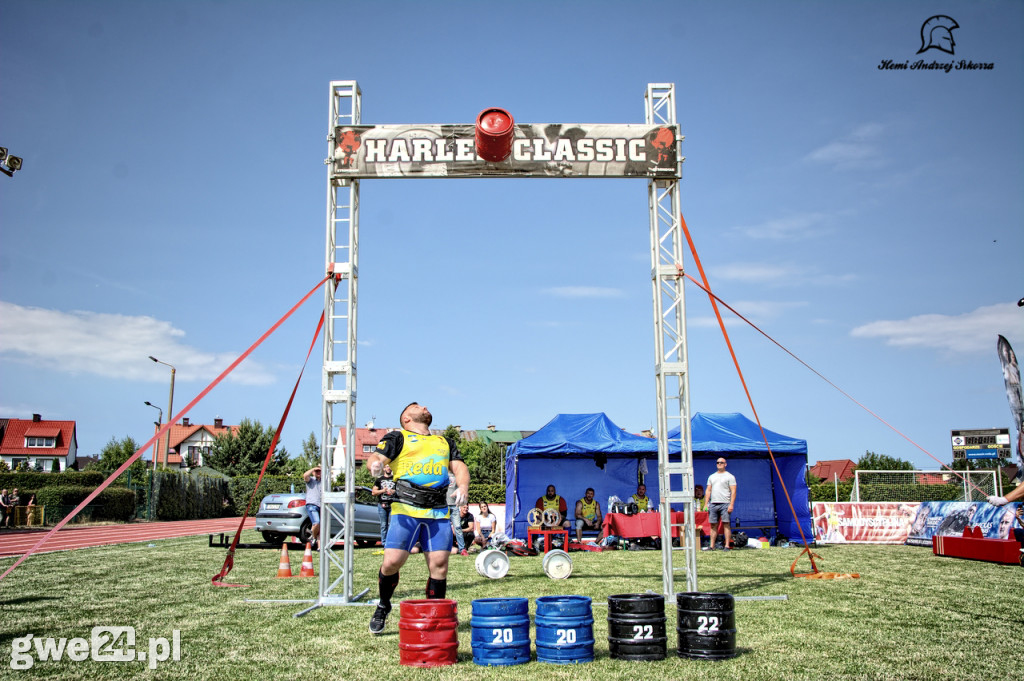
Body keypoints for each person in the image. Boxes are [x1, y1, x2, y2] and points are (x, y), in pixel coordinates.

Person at [366, 402, 469, 635]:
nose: (424, 407)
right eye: (417, 406)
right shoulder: (398, 437)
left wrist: (463, 486)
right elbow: (376, 457)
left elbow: (460, 467)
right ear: (406, 419)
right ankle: (383, 605)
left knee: (440, 567)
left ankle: (435, 618)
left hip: (438, 512)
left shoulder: (444, 442)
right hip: (406, 509)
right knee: (392, 562)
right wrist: (374, 466)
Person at [703, 457, 737, 551]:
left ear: (725, 464)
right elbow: (708, 490)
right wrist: (706, 504)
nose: (719, 464)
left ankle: (726, 546)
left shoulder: (730, 476)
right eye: (718, 462)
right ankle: (712, 546)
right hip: (713, 503)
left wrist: (731, 504)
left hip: (725, 503)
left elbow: (733, 491)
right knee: (713, 525)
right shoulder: (712, 476)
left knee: (726, 524)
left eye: (721, 462)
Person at [372, 464, 396, 548]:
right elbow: (373, 492)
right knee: (383, 525)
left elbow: (401, 491)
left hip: (393, 504)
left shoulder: (395, 479)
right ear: (384, 468)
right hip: (382, 505)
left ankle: (392, 543)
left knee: (393, 524)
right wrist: (383, 490)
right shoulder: (379, 480)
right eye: (386, 467)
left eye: (390, 466)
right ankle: (384, 543)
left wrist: (393, 491)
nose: (388, 468)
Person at [446, 474, 466, 556]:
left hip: (455, 506)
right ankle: (444, 548)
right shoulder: (442, 474)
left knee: (458, 527)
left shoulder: (457, 476)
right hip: (444, 506)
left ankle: (462, 549)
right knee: (445, 529)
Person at [302, 466, 322, 547]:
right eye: (316, 471)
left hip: (321, 505)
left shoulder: (323, 482)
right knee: (316, 523)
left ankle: (320, 547)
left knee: (320, 528)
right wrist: (313, 469)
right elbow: (305, 475)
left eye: (319, 471)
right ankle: (313, 538)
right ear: (313, 472)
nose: (318, 473)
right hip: (312, 504)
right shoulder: (311, 480)